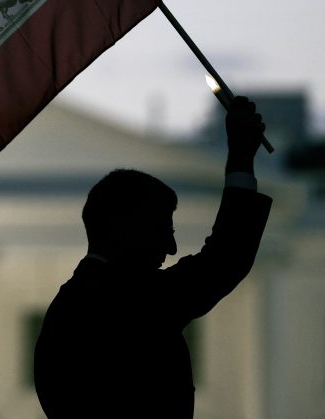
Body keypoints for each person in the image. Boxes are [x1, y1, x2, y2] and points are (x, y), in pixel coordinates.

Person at [33, 96, 272, 419]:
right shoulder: (125, 301)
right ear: (124, 231)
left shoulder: (73, 303)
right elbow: (223, 261)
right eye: (162, 230)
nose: (171, 248)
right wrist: (241, 158)